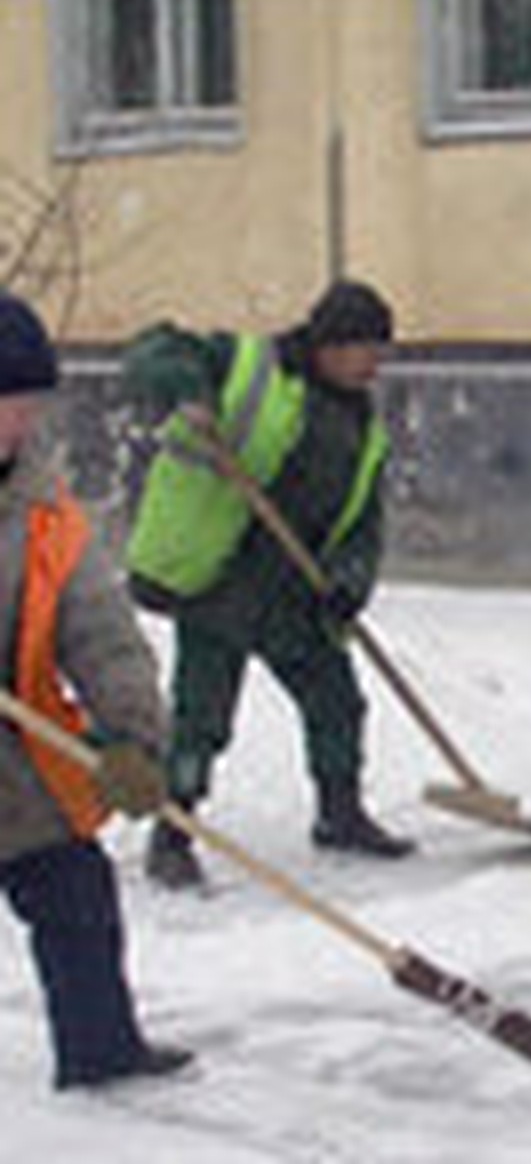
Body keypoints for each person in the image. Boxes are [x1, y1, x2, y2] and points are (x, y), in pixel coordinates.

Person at [125, 280, 415, 890]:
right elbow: (154, 349)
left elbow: (364, 523)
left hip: (296, 595)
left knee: (337, 702)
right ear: (329, 344)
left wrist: (347, 583)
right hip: (219, 581)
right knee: (201, 718)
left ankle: (340, 815)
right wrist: (191, 393)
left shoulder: (363, 426)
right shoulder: (247, 366)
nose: (374, 364)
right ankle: (173, 835)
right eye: (366, 349)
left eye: (381, 352)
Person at [0, 290, 192, 1088]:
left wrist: (130, 737)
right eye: (3, 403)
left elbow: (102, 634)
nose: (17, 423)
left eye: (27, 404)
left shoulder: (45, 511)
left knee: (76, 889)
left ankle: (102, 1052)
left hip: (14, 751)